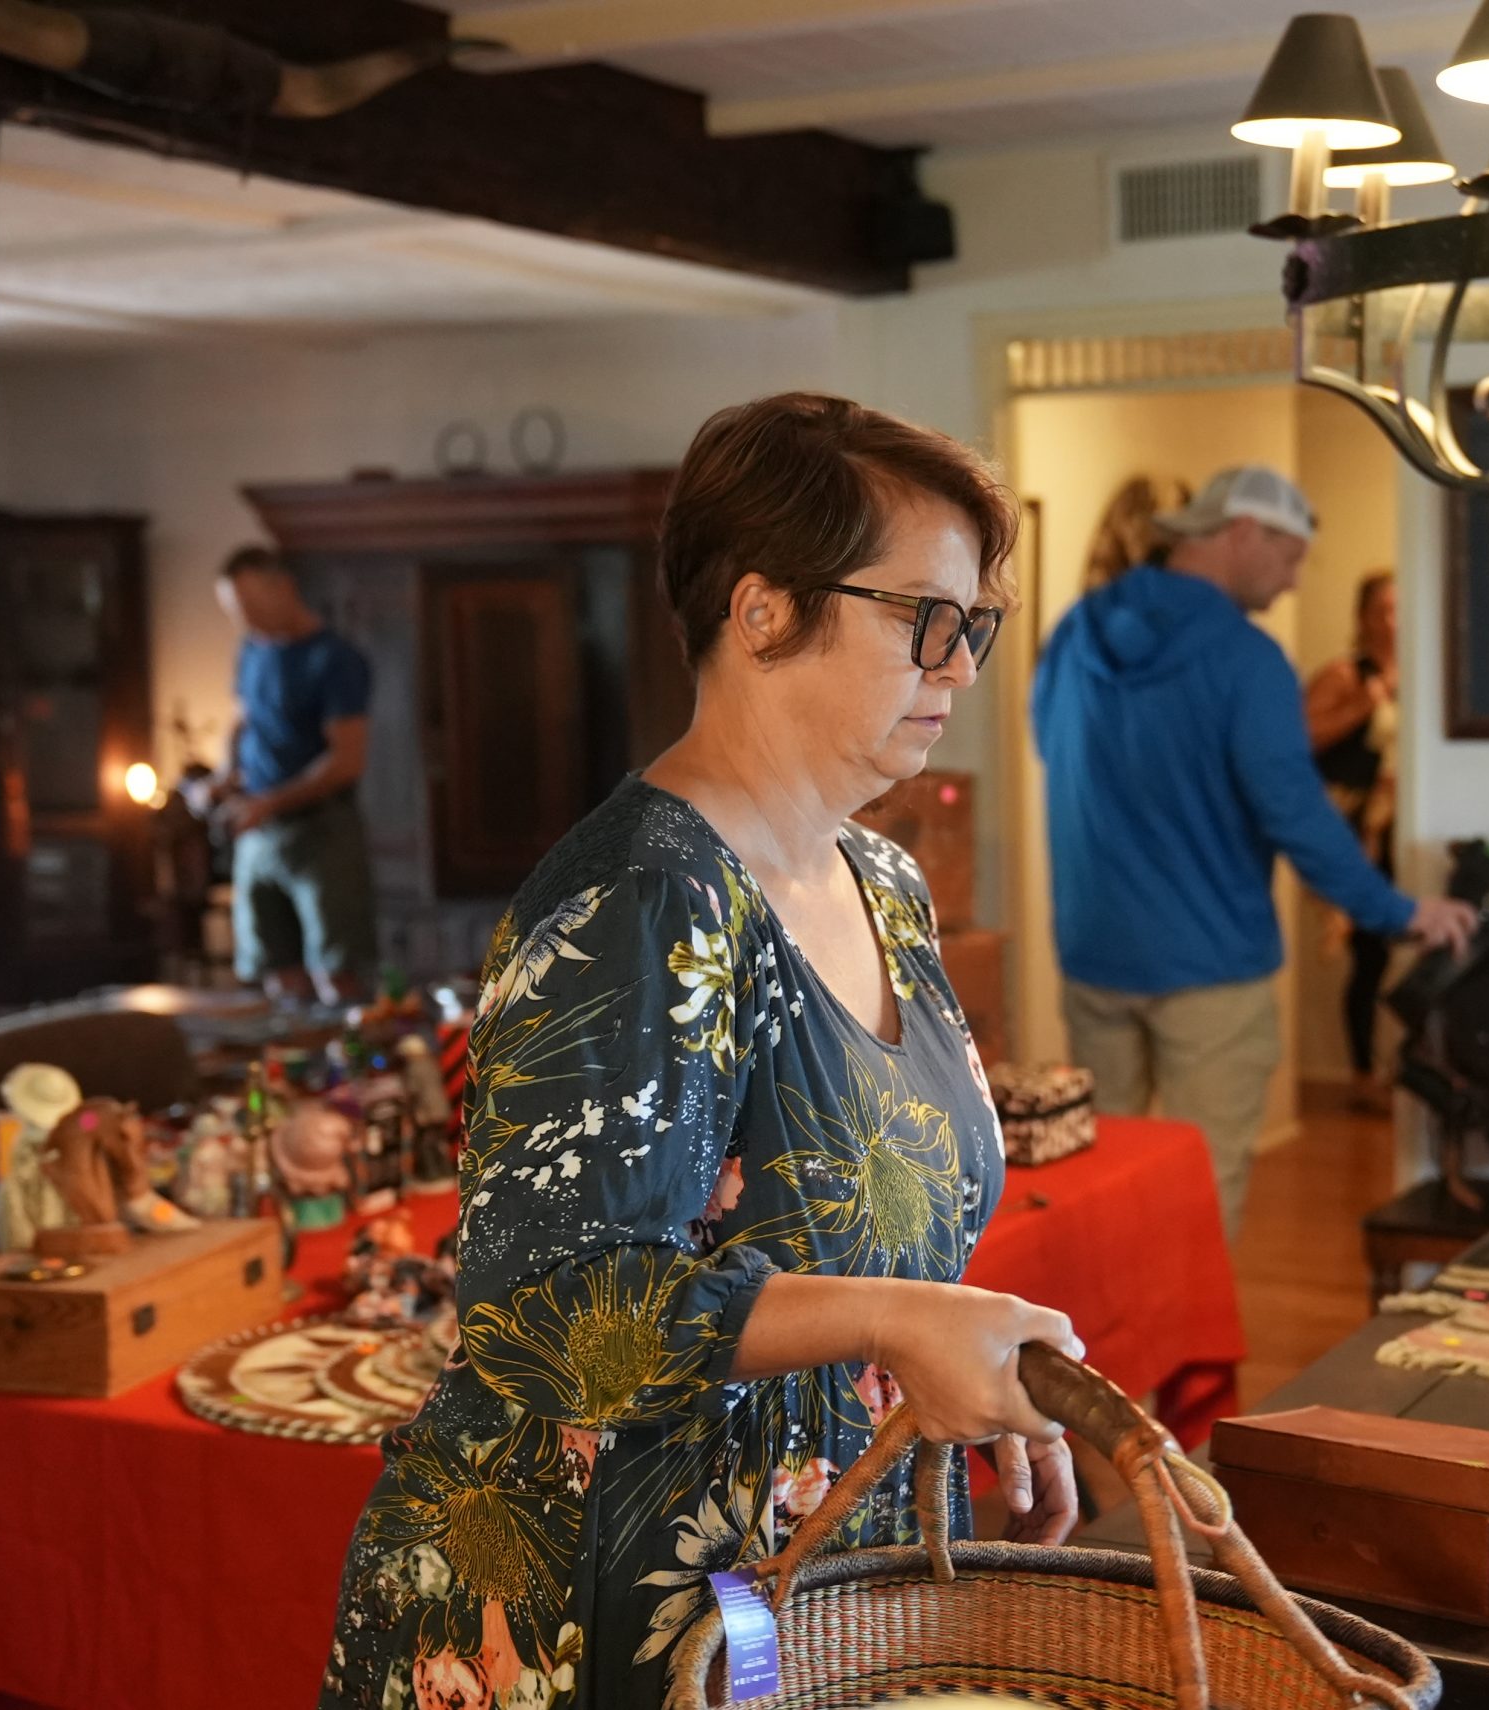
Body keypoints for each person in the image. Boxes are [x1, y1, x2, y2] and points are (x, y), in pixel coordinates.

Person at [322, 394, 1082, 1710]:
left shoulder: (883, 877)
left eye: (978, 628)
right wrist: (904, 1316)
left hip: (791, 1575)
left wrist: (977, 1350)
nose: (961, 667)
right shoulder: (644, 898)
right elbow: (550, 1318)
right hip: (593, 1609)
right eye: (927, 620)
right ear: (763, 610)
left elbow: (866, 1249)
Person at [1033, 466, 1474, 1237]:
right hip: (1210, 964)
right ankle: (1180, 1360)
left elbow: (1049, 746)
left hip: (1094, 952)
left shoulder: (1076, 631)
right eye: (1291, 556)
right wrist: (1398, 912)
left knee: (1098, 1181)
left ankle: (1096, 1357)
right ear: (1243, 533)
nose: (1295, 579)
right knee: (1199, 1193)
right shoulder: (1246, 659)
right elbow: (1296, 815)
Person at [207, 544, 377, 1005]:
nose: (243, 622)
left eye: (248, 607)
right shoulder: (250, 651)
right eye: (233, 612)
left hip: (321, 832)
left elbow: (346, 761)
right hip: (258, 835)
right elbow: (242, 721)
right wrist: (225, 776)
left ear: (283, 588)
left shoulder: (335, 659)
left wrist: (270, 803)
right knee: (276, 973)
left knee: (335, 973)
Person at [1305, 571, 1400, 1106]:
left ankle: (1392, 1069)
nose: (1392, 621)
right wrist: (1366, 702)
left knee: (1391, 955)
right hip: (1354, 831)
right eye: (1382, 609)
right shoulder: (1345, 675)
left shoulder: (1420, 672)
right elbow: (1299, 739)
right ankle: (1363, 1074)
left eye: (1400, 609)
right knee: (1369, 956)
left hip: (1395, 830)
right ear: (1363, 616)